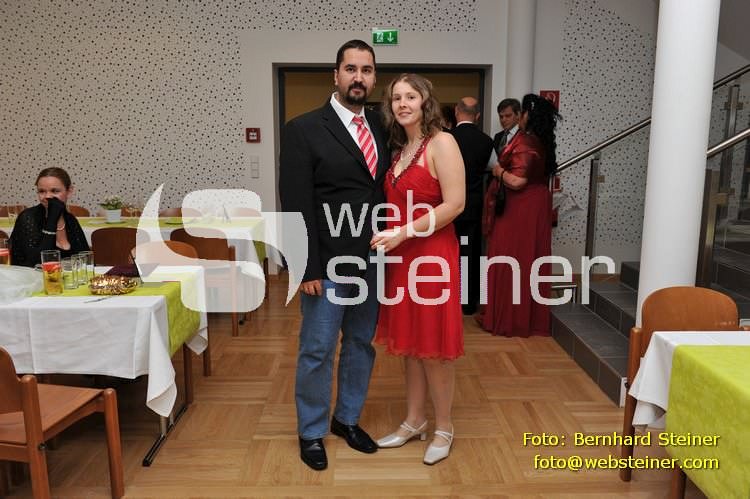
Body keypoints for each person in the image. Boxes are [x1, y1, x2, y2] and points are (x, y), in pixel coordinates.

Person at [278, 39, 390, 471]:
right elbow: (295, 204)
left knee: (361, 344)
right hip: (325, 264)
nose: (358, 77)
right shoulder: (303, 129)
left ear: (374, 77)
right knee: (318, 349)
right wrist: (305, 266)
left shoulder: (382, 126)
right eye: (351, 69)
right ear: (336, 75)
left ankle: (347, 419)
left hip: (372, 262)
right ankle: (311, 432)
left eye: (366, 70)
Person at [371, 73, 465, 465]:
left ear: (426, 101)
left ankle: (444, 427)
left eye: (411, 96)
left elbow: (454, 204)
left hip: (431, 257)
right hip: (402, 258)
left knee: (434, 349)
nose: (403, 103)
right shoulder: (401, 149)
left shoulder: (442, 142)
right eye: (396, 98)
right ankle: (414, 421)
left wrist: (403, 232)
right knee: (410, 345)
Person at [478, 93, 560, 337]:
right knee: (527, 259)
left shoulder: (526, 142)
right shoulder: (541, 141)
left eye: (520, 112)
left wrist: (498, 171)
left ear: (526, 115)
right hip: (534, 205)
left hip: (520, 207)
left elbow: (517, 181)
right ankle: (524, 317)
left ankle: (508, 319)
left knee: (509, 258)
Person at [449, 97, 494, 315]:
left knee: (447, 252)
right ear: (477, 116)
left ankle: (445, 299)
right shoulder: (487, 141)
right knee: (470, 253)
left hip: (447, 206)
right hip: (473, 206)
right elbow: (493, 168)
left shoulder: (446, 138)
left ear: (456, 112)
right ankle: (467, 303)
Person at [10, 167, 89, 267]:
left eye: (55, 191)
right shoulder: (28, 218)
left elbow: (86, 259)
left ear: (69, 191)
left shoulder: (70, 219)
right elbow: (36, 264)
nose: (47, 196)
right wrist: (52, 219)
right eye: (42, 191)